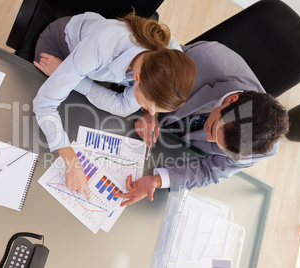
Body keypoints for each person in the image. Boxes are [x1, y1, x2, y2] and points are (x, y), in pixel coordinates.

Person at [32, 11, 197, 200]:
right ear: (137, 79)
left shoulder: (173, 59)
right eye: (151, 107)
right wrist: (70, 160)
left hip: (91, 70)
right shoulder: (102, 46)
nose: (151, 113)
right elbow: (44, 104)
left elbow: (122, 107)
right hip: (60, 47)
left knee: (81, 114)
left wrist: (150, 113)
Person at [115, 41, 289, 206]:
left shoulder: (260, 146)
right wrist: (149, 109)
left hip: (170, 151)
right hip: (134, 108)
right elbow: (150, 71)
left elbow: (210, 171)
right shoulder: (205, 59)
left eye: (221, 147)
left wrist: (157, 180)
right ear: (231, 100)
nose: (208, 139)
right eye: (213, 129)